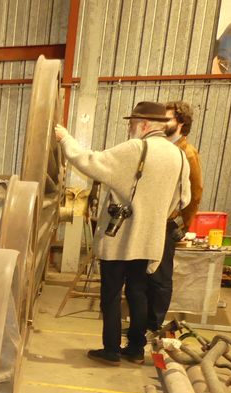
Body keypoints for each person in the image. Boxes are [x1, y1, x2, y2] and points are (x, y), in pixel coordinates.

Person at [54, 101, 190, 366]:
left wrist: (66, 139)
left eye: (131, 124)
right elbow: (182, 199)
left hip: (121, 238)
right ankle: (136, 349)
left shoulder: (137, 148)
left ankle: (112, 349)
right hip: (150, 238)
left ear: (145, 124)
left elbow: (92, 162)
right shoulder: (179, 156)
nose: (130, 129)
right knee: (139, 292)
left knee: (112, 294)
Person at [146, 101, 203, 332]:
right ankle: (142, 325)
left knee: (160, 278)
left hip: (166, 223)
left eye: (167, 119)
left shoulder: (187, 153)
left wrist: (182, 225)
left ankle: (153, 325)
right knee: (146, 274)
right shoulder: (162, 148)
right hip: (152, 221)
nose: (162, 123)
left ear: (180, 123)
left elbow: (195, 192)